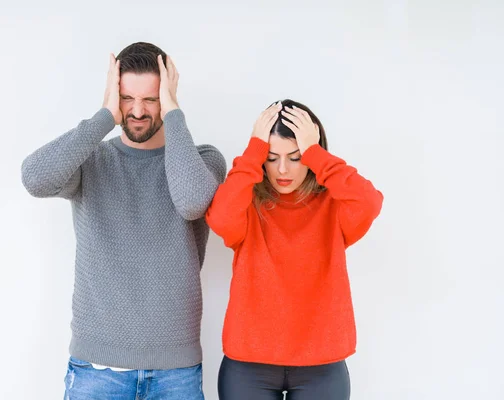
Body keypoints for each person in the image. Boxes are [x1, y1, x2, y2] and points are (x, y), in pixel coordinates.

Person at [21, 42, 226, 399]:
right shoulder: (91, 160)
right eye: (127, 98)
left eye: (151, 99)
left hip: (176, 373)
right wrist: (104, 116)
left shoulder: (204, 160)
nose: (137, 111)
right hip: (96, 371)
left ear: (168, 96)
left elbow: (192, 202)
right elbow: (34, 179)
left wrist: (174, 112)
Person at [205, 99, 383, 400]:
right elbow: (220, 218)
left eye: (297, 157)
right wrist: (253, 151)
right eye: (271, 157)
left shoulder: (335, 206)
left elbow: (369, 203)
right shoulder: (247, 204)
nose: (283, 169)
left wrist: (318, 155)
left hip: (322, 366)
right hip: (249, 366)